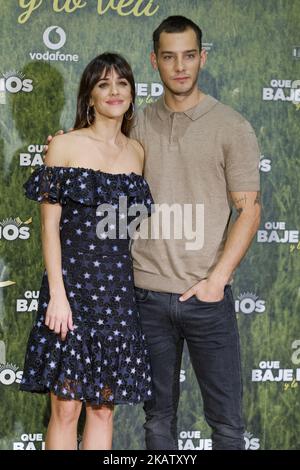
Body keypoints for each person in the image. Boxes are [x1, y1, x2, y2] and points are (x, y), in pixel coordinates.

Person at [46, 16, 261, 451]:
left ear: (202, 58)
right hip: (142, 297)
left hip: (205, 299)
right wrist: (64, 144)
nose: (179, 66)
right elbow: (93, 156)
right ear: (155, 62)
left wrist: (216, 280)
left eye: (188, 56)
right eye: (168, 57)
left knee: (226, 425)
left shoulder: (230, 125)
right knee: (156, 422)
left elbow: (250, 210)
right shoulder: (137, 126)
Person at [20, 52, 153, 451]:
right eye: (103, 84)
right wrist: (57, 296)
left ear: (132, 93)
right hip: (71, 290)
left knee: (103, 407)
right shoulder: (63, 146)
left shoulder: (137, 153)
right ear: (90, 96)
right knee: (66, 407)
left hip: (116, 293)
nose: (114, 92)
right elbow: (49, 228)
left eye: (122, 84)